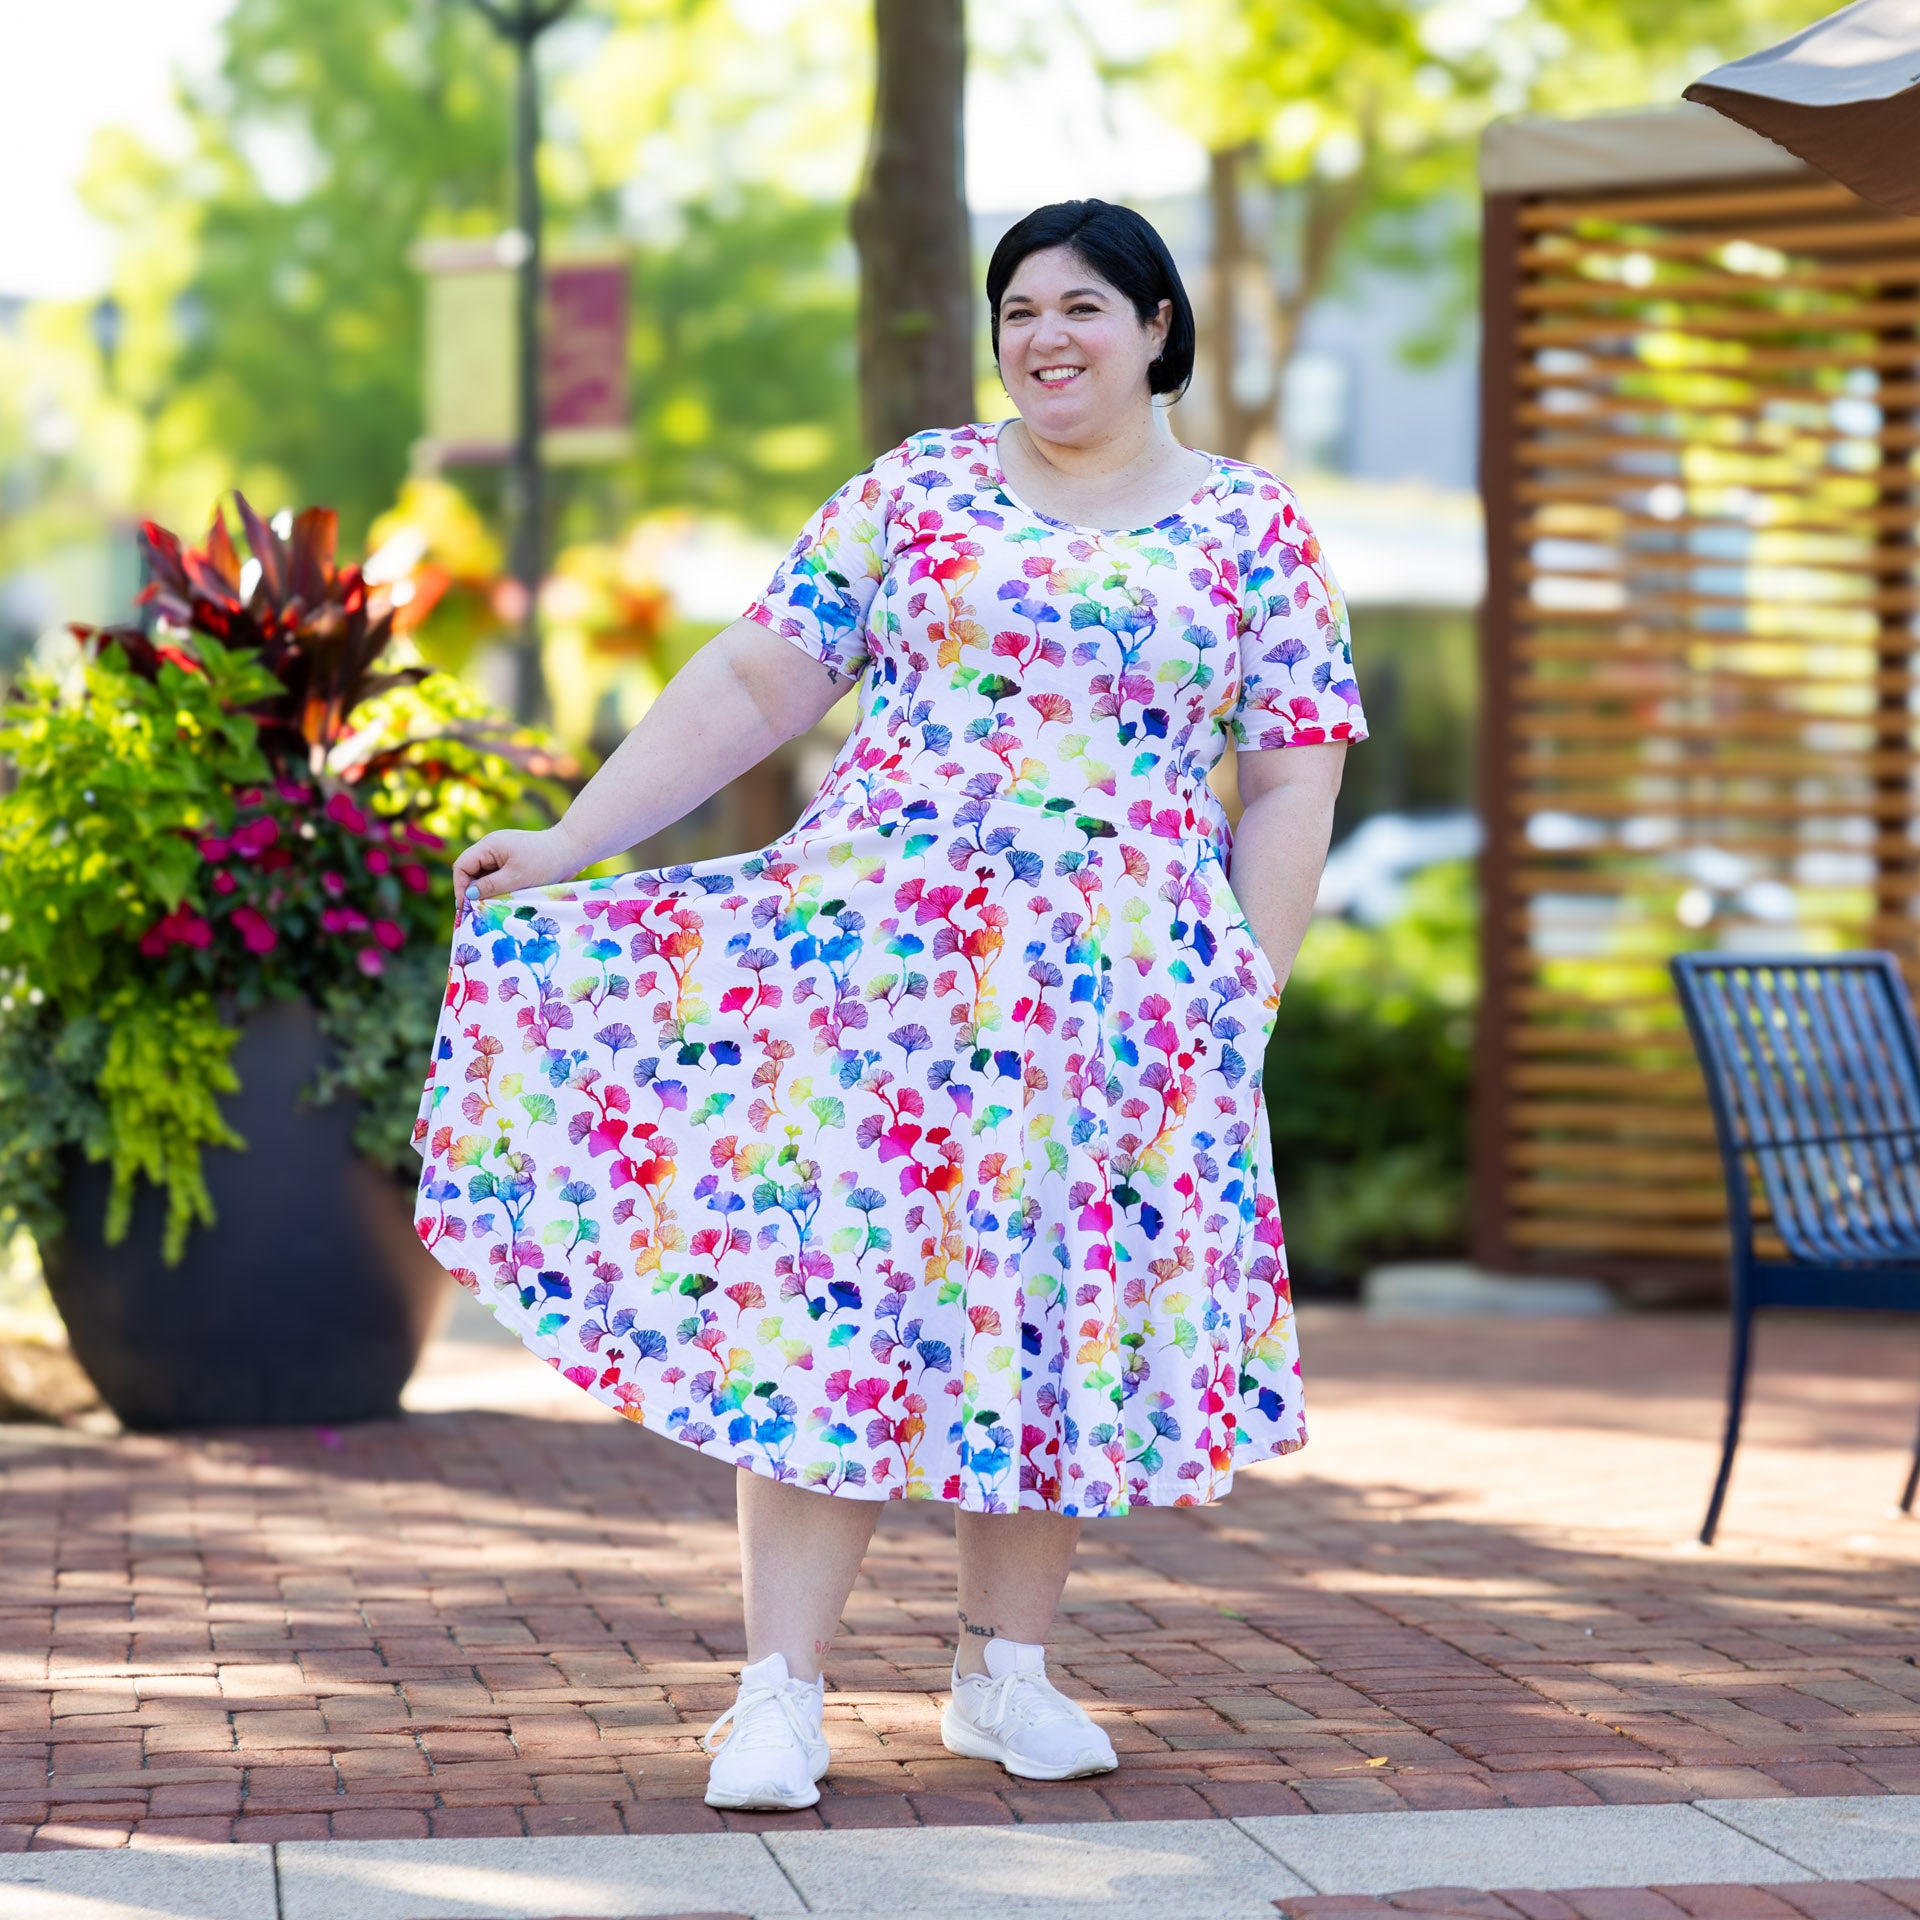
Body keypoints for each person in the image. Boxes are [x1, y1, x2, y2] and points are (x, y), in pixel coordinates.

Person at [414, 197, 1364, 1813]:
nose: (1044, 337)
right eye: (1016, 311)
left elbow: (1289, 775)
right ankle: (776, 1696)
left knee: (1052, 1314)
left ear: (1155, 327)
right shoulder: (919, 490)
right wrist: (580, 836)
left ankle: (1007, 1676)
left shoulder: (1252, 529)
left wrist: (1245, 988)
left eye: (1080, 306)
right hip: (883, 976)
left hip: (1123, 994)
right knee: (830, 1302)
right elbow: (757, 679)